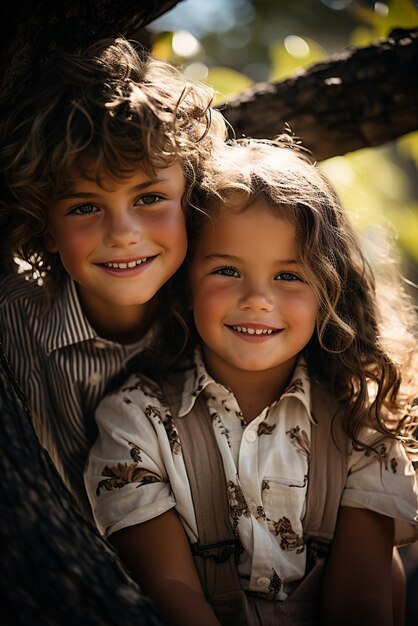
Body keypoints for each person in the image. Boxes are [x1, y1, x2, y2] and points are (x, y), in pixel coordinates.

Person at [85, 136, 418, 626]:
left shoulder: (359, 422)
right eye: (226, 270)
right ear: (185, 281)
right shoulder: (137, 420)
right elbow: (168, 588)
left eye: (288, 276)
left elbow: (358, 602)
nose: (258, 299)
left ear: (330, 288)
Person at [0, 36, 227, 514]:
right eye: (85, 206)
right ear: (47, 228)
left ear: (190, 201)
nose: (123, 234)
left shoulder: (221, 320)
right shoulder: (12, 321)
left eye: (148, 199)